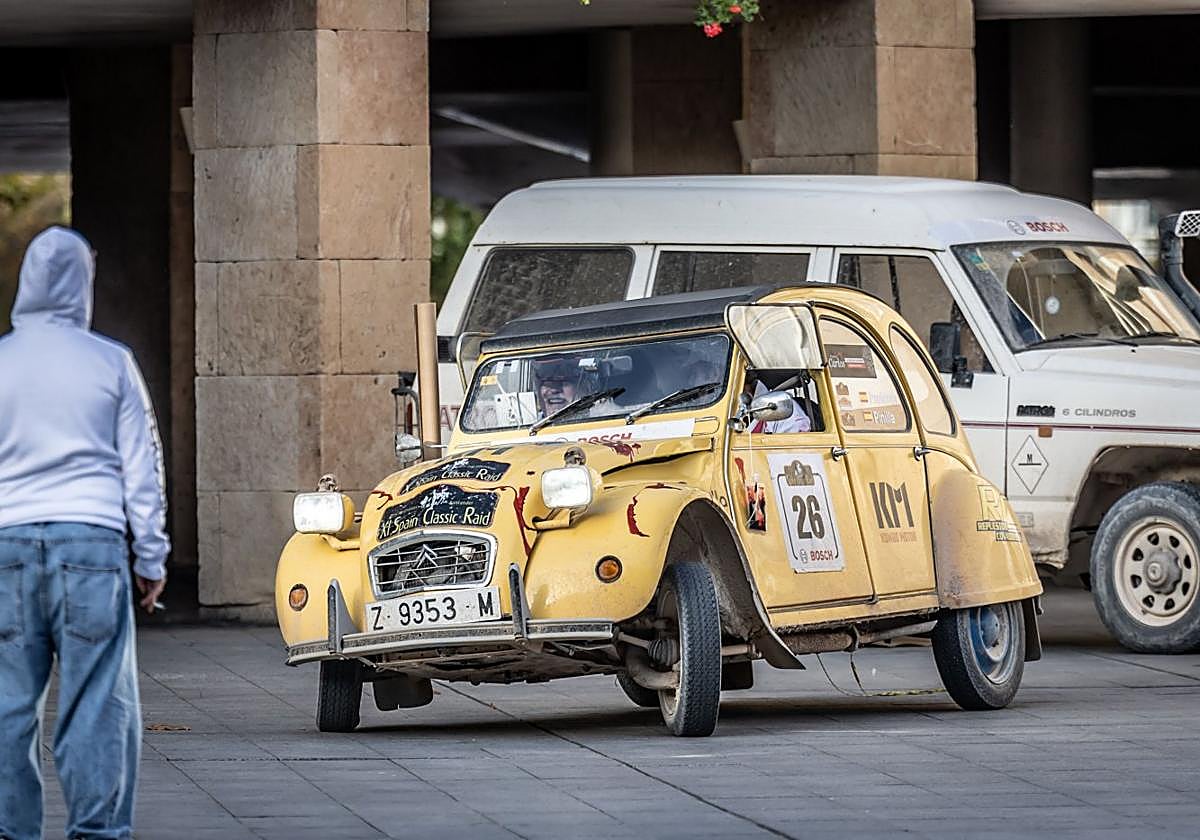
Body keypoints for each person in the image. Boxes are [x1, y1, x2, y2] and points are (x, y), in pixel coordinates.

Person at [0, 227, 169, 840]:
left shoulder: (0, 362)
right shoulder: (111, 362)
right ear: (82, 283)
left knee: (6, 705)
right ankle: (96, 833)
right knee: (98, 704)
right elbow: (142, 468)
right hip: (92, 549)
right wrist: (151, 559)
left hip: (7, 546)